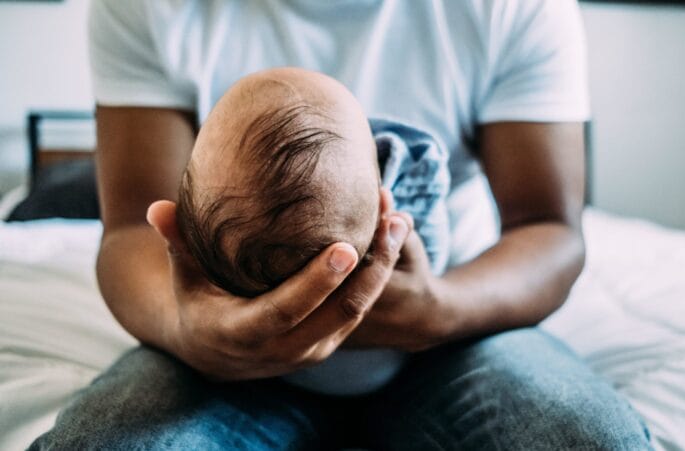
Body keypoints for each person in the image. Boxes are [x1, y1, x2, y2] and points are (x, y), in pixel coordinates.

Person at [31, 0, 653, 449]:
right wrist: (195, 333)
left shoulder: (513, 8)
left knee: (591, 440)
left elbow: (550, 227)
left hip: (454, 333)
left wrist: (437, 310)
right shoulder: (147, 8)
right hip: (229, 353)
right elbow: (133, 230)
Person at [174, 67, 451, 395]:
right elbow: (436, 248)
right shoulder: (414, 187)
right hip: (402, 367)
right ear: (383, 207)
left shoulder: (224, 266)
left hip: (262, 381)